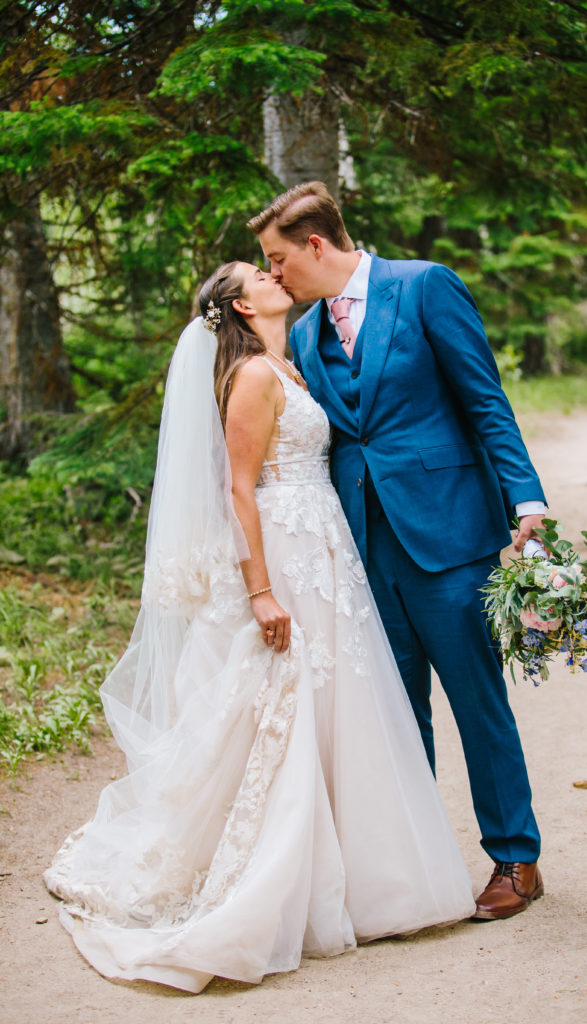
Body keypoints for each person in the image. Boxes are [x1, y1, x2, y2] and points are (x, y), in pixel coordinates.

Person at [44, 260, 475, 993]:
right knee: (285, 705)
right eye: (260, 274)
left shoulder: (288, 362)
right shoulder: (250, 376)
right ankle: (282, 877)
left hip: (323, 546)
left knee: (340, 704)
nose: (276, 276)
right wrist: (262, 591)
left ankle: (366, 876)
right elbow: (236, 486)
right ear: (242, 304)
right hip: (282, 551)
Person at [247, 181, 547, 921]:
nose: (274, 274)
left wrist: (527, 498)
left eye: (277, 259)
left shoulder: (423, 287)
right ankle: (423, 866)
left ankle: (515, 858)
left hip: (447, 536)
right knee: (393, 711)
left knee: (477, 702)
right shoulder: (307, 333)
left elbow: (484, 401)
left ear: (315, 245)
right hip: (359, 549)